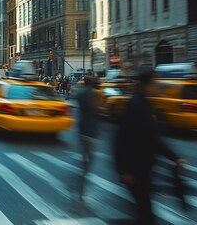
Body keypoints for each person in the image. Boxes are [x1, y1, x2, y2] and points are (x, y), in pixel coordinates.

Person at [114, 69, 185, 225]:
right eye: (154, 83)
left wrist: (175, 158)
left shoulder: (144, 103)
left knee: (145, 214)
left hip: (143, 168)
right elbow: (121, 138)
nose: (157, 86)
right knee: (146, 216)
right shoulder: (136, 105)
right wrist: (123, 170)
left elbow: (152, 138)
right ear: (145, 85)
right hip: (135, 169)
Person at [75, 76, 102, 202]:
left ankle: (83, 168)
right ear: (90, 83)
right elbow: (95, 109)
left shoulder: (80, 93)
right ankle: (84, 174)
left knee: (85, 154)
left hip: (82, 129)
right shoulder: (92, 93)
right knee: (89, 157)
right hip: (91, 130)